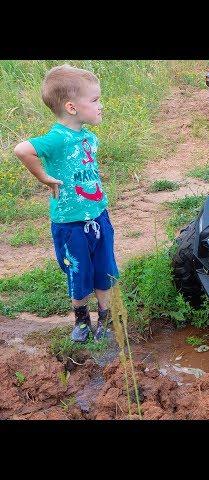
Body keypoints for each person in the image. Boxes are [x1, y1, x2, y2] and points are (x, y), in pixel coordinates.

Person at [13, 64, 118, 342]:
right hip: (70, 224)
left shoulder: (89, 137)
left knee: (104, 269)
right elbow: (23, 150)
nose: (100, 105)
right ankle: (82, 321)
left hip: (97, 215)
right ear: (72, 107)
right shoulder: (57, 138)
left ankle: (105, 319)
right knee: (78, 272)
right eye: (95, 100)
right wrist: (45, 178)